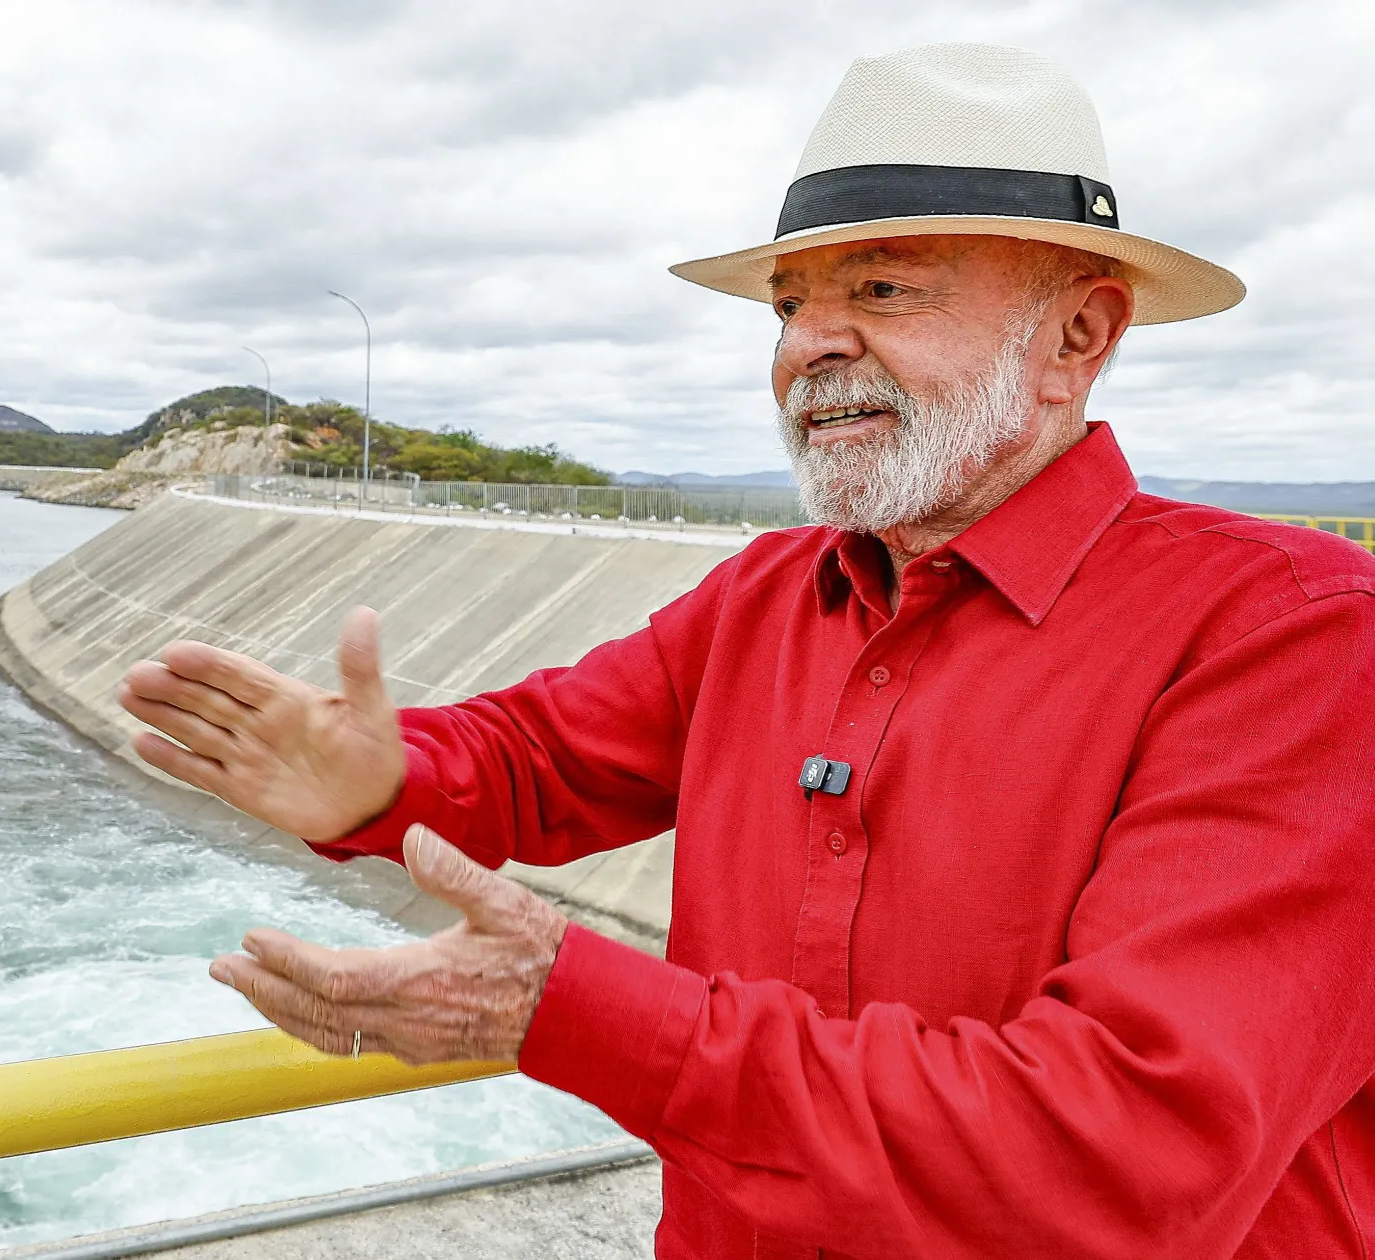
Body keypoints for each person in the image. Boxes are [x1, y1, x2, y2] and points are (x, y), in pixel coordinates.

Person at [118, 44, 1375, 1259]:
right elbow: (540, 757)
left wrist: (570, 1008)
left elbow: (1126, 1154)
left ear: (1077, 339)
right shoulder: (770, 594)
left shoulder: (1296, 633)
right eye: (789, 307)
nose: (807, 349)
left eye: (881, 291)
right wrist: (383, 782)